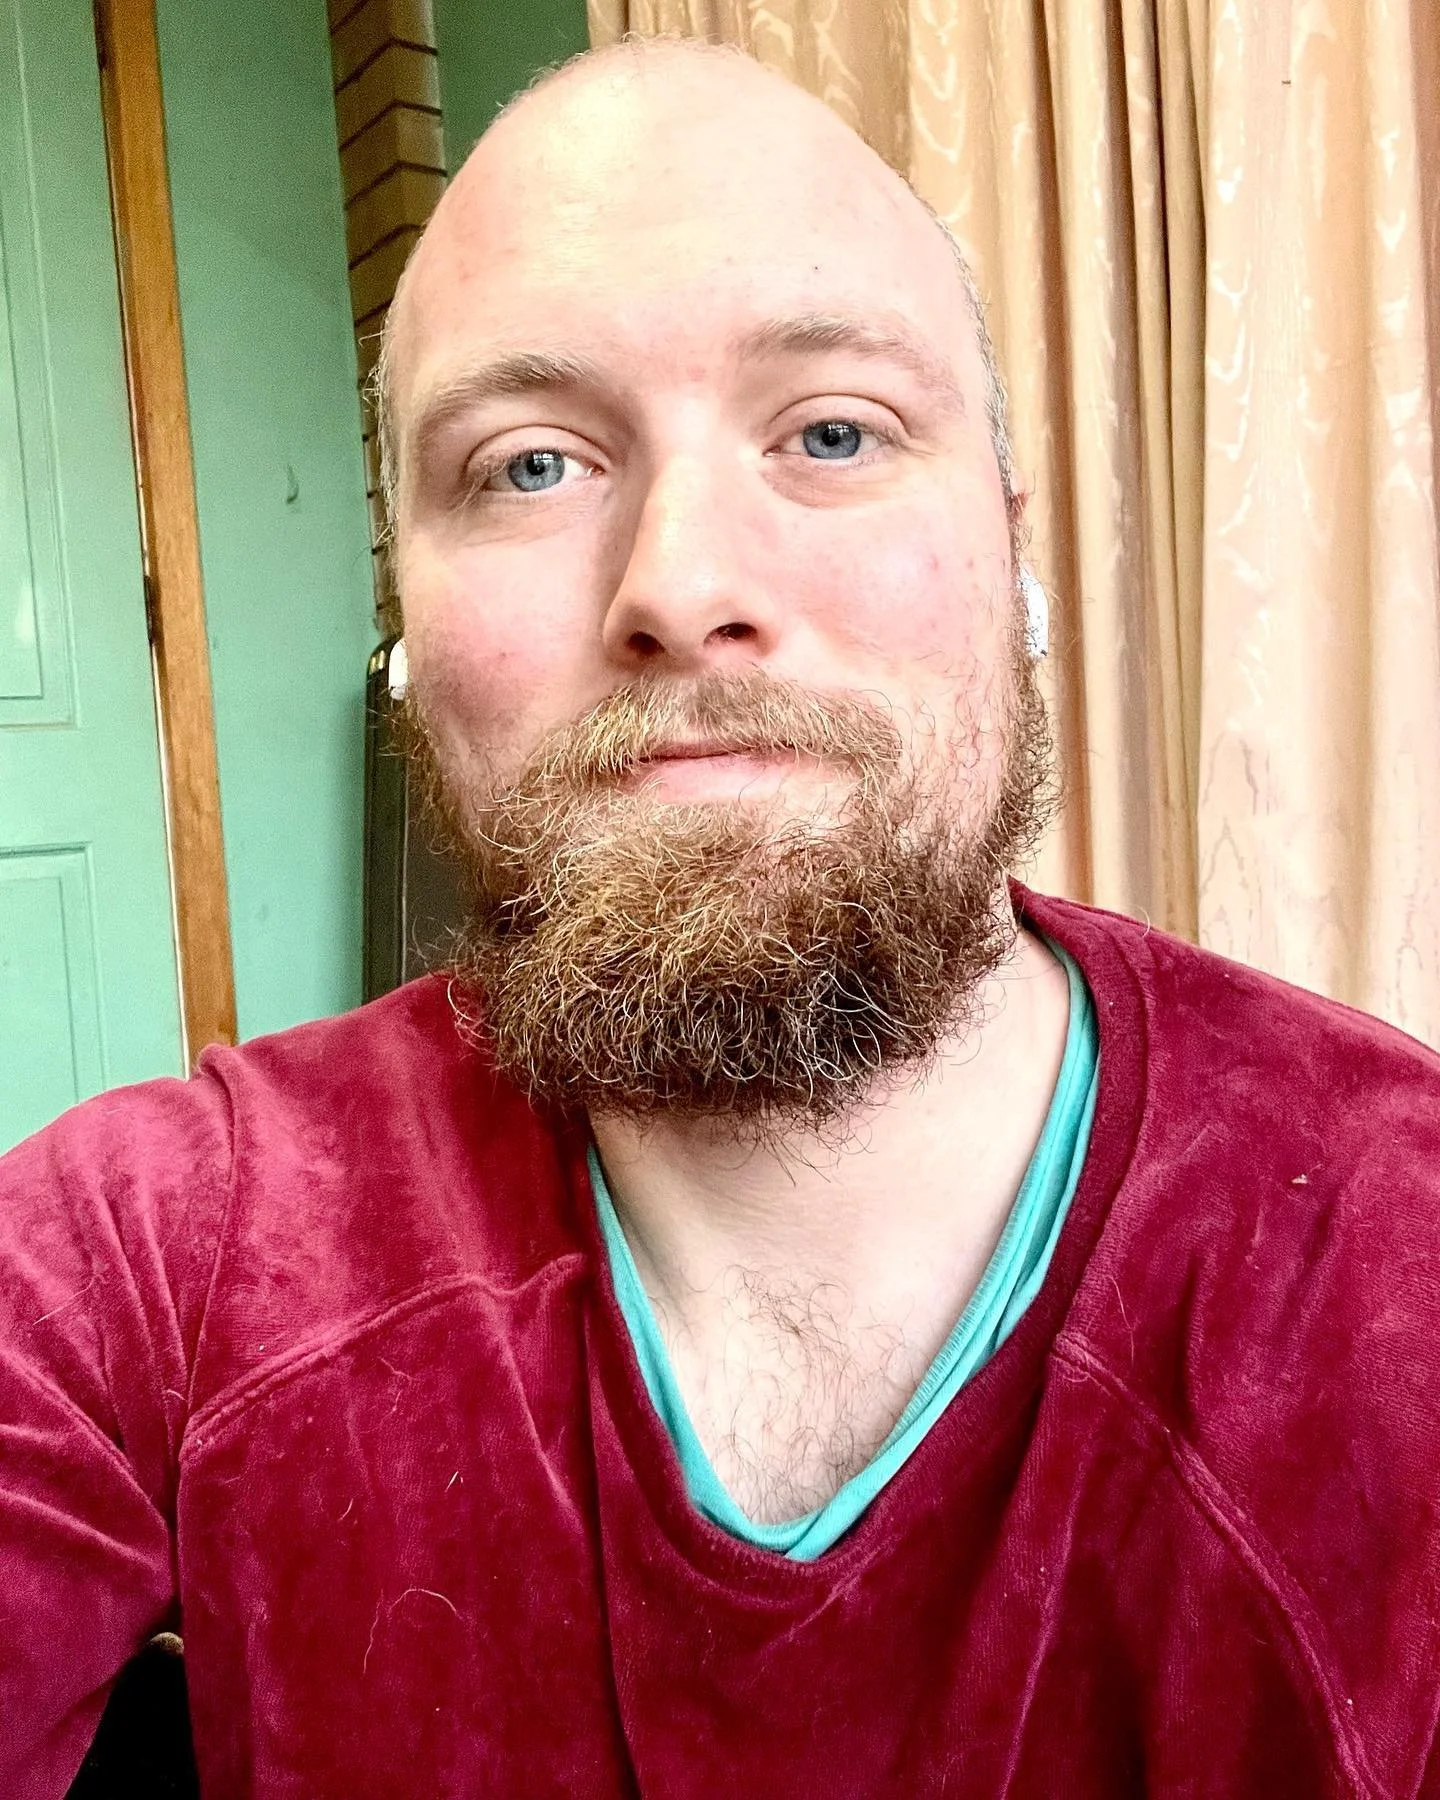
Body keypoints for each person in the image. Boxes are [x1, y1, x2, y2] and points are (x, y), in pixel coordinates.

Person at [3, 37, 1438, 1800]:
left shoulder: (1396, 1277)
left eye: (833, 431)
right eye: (530, 466)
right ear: (407, 626)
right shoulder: (158, 1256)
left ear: (1011, 557)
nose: (683, 587)